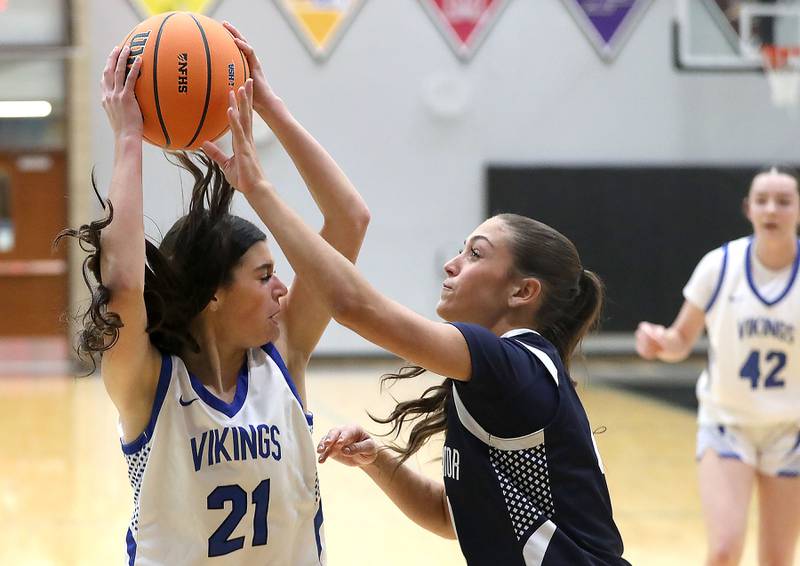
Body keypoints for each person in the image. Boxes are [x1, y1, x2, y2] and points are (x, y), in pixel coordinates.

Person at [202, 73, 630, 565]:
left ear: (522, 291)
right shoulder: (495, 382)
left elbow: (354, 306)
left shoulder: (517, 365)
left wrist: (257, 188)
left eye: (476, 254)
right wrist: (377, 460)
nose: (453, 264)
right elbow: (452, 516)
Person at [57, 31, 369, 565]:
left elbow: (349, 220)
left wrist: (271, 109)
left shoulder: (283, 354)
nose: (283, 288)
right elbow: (127, 286)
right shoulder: (149, 384)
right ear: (213, 296)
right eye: (264, 275)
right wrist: (128, 138)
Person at [635, 167, 800, 566]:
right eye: (762, 200)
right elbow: (681, 340)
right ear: (748, 209)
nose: (771, 209)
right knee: (724, 549)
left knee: (777, 559)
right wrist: (660, 343)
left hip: (791, 429)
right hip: (727, 422)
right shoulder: (720, 265)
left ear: (798, 209)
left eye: (783, 200)